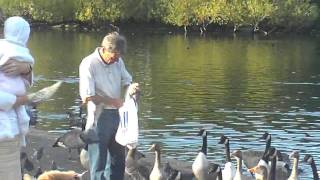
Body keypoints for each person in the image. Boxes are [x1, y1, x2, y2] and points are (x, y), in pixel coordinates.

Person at [79, 32, 139, 180]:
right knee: (98, 163)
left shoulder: (118, 62)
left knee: (117, 162)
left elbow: (127, 81)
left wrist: (132, 88)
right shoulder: (89, 63)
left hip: (118, 117)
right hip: (98, 118)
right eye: (114, 55)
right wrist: (113, 101)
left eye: (119, 56)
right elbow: (88, 97)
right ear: (105, 49)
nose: (117, 59)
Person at [0, 16, 34, 180]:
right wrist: (20, 100)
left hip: (10, 131)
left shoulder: (9, 50)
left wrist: (26, 68)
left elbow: (25, 82)